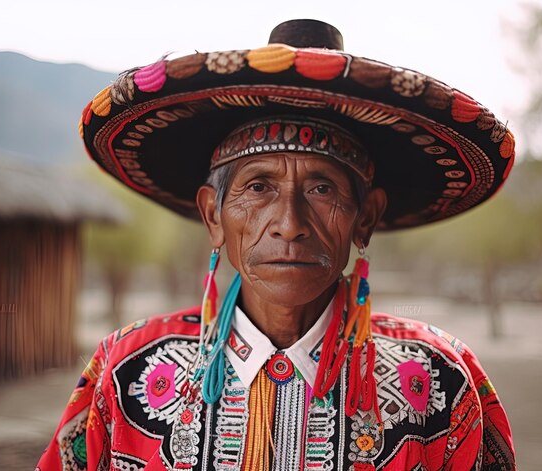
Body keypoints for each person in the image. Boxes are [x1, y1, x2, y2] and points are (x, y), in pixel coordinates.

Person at [37, 19, 517, 470]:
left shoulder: (441, 378)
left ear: (364, 217)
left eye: (322, 188)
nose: (289, 224)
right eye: (258, 187)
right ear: (213, 216)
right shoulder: (124, 370)